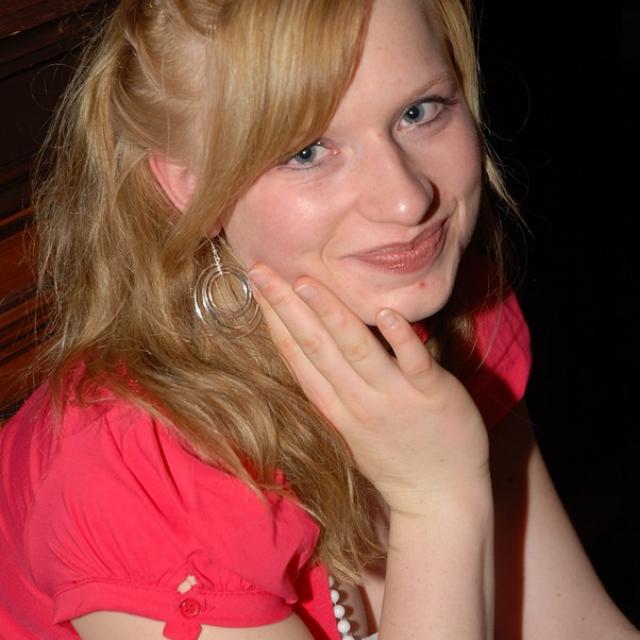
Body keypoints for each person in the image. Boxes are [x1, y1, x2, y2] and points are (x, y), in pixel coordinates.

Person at [0, 0, 636, 638]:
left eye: (419, 112)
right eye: (307, 152)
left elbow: (577, 628)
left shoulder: (458, 310)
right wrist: (437, 500)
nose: (407, 199)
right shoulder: (131, 476)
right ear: (189, 188)